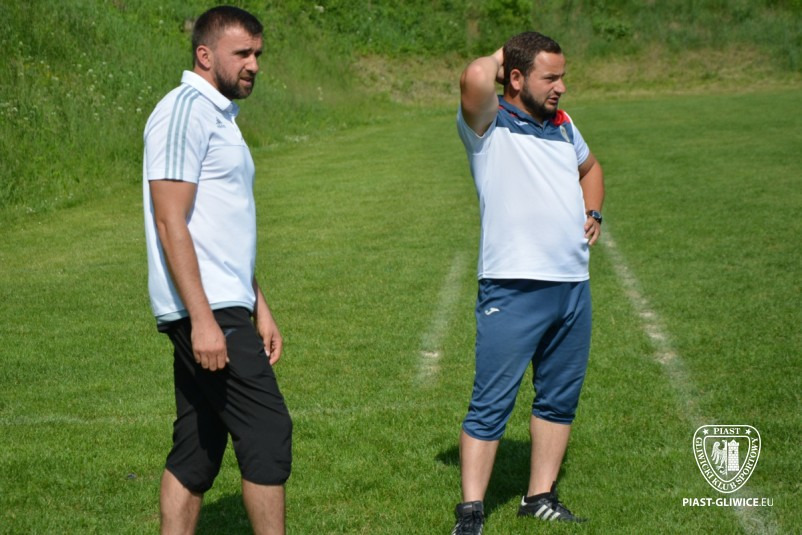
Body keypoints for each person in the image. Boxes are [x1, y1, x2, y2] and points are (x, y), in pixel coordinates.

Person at [142, 6, 292, 534]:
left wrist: (259, 304)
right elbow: (170, 220)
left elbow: (220, 228)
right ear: (205, 55)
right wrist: (203, 319)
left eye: (258, 54)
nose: (254, 65)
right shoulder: (184, 110)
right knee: (267, 430)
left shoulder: (219, 116)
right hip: (204, 307)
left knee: (198, 447)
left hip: (225, 301)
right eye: (242, 54)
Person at [452, 31, 605, 533]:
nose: (561, 87)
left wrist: (594, 211)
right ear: (515, 78)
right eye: (550, 77)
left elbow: (591, 168)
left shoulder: (564, 125)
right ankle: (471, 513)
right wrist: (510, 51)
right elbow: (475, 75)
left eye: (563, 77)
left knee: (558, 399)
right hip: (512, 288)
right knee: (490, 403)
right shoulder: (487, 122)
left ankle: (539, 497)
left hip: (572, 287)